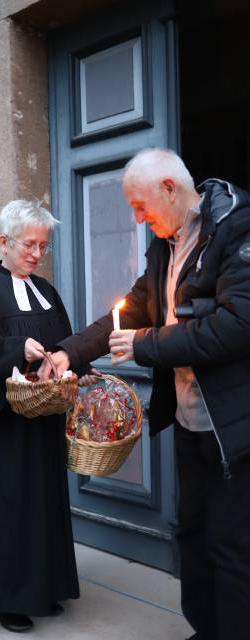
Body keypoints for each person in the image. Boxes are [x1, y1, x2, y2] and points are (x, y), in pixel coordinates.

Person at [38, 148, 250, 640]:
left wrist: (145, 345)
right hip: (188, 421)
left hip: (232, 426)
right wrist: (70, 353)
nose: (136, 218)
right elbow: (131, 309)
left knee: (232, 545)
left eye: (140, 205)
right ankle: (207, 629)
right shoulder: (165, 244)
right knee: (192, 535)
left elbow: (238, 326)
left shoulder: (237, 229)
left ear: (170, 190)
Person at [0, 200, 80, 633]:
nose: (37, 254)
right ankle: (4, 597)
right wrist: (15, 349)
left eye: (43, 246)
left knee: (41, 506)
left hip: (39, 421)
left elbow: (63, 342)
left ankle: (43, 587)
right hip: (1, 432)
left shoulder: (45, 291)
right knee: (8, 511)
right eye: (29, 245)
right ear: (4, 242)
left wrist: (67, 364)